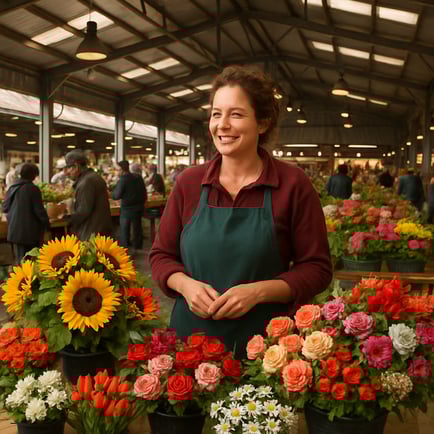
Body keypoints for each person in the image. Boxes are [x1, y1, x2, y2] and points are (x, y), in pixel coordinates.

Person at [150, 65, 332, 359]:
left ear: (262, 123)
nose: (222, 124)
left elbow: (317, 269)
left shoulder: (291, 185)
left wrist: (258, 292)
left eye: (236, 114)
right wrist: (184, 284)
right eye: (216, 113)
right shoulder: (189, 183)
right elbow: (160, 256)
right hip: (190, 346)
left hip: (266, 350)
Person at [2, 163, 49, 264]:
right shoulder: (33, 189)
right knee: (31, 262)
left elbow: (5, 207)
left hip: (15, 232)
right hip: (29, 233)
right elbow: (39, 212)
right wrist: (47, 224)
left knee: (20, 261)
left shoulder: (12, 187)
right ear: (33, 175)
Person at [64, 149, 113, 241]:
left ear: (76, 166)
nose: (66, 173)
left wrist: (67, 216)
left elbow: (83, 211)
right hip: (98, 231)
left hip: (91, 234)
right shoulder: (93, 177)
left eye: (68, 168)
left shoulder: (86, 182)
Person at [112, 160, 146, 255]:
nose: (117, 172)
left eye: (117, 170)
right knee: (137, 228)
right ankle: (137, 246)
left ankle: (125, 248)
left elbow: (116, 195)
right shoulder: (138, 177)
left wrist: (112, 194)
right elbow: (144, 192)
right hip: (139, 207)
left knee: (124, 229)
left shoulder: (123, 179)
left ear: (122, 170)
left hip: (127, 209)